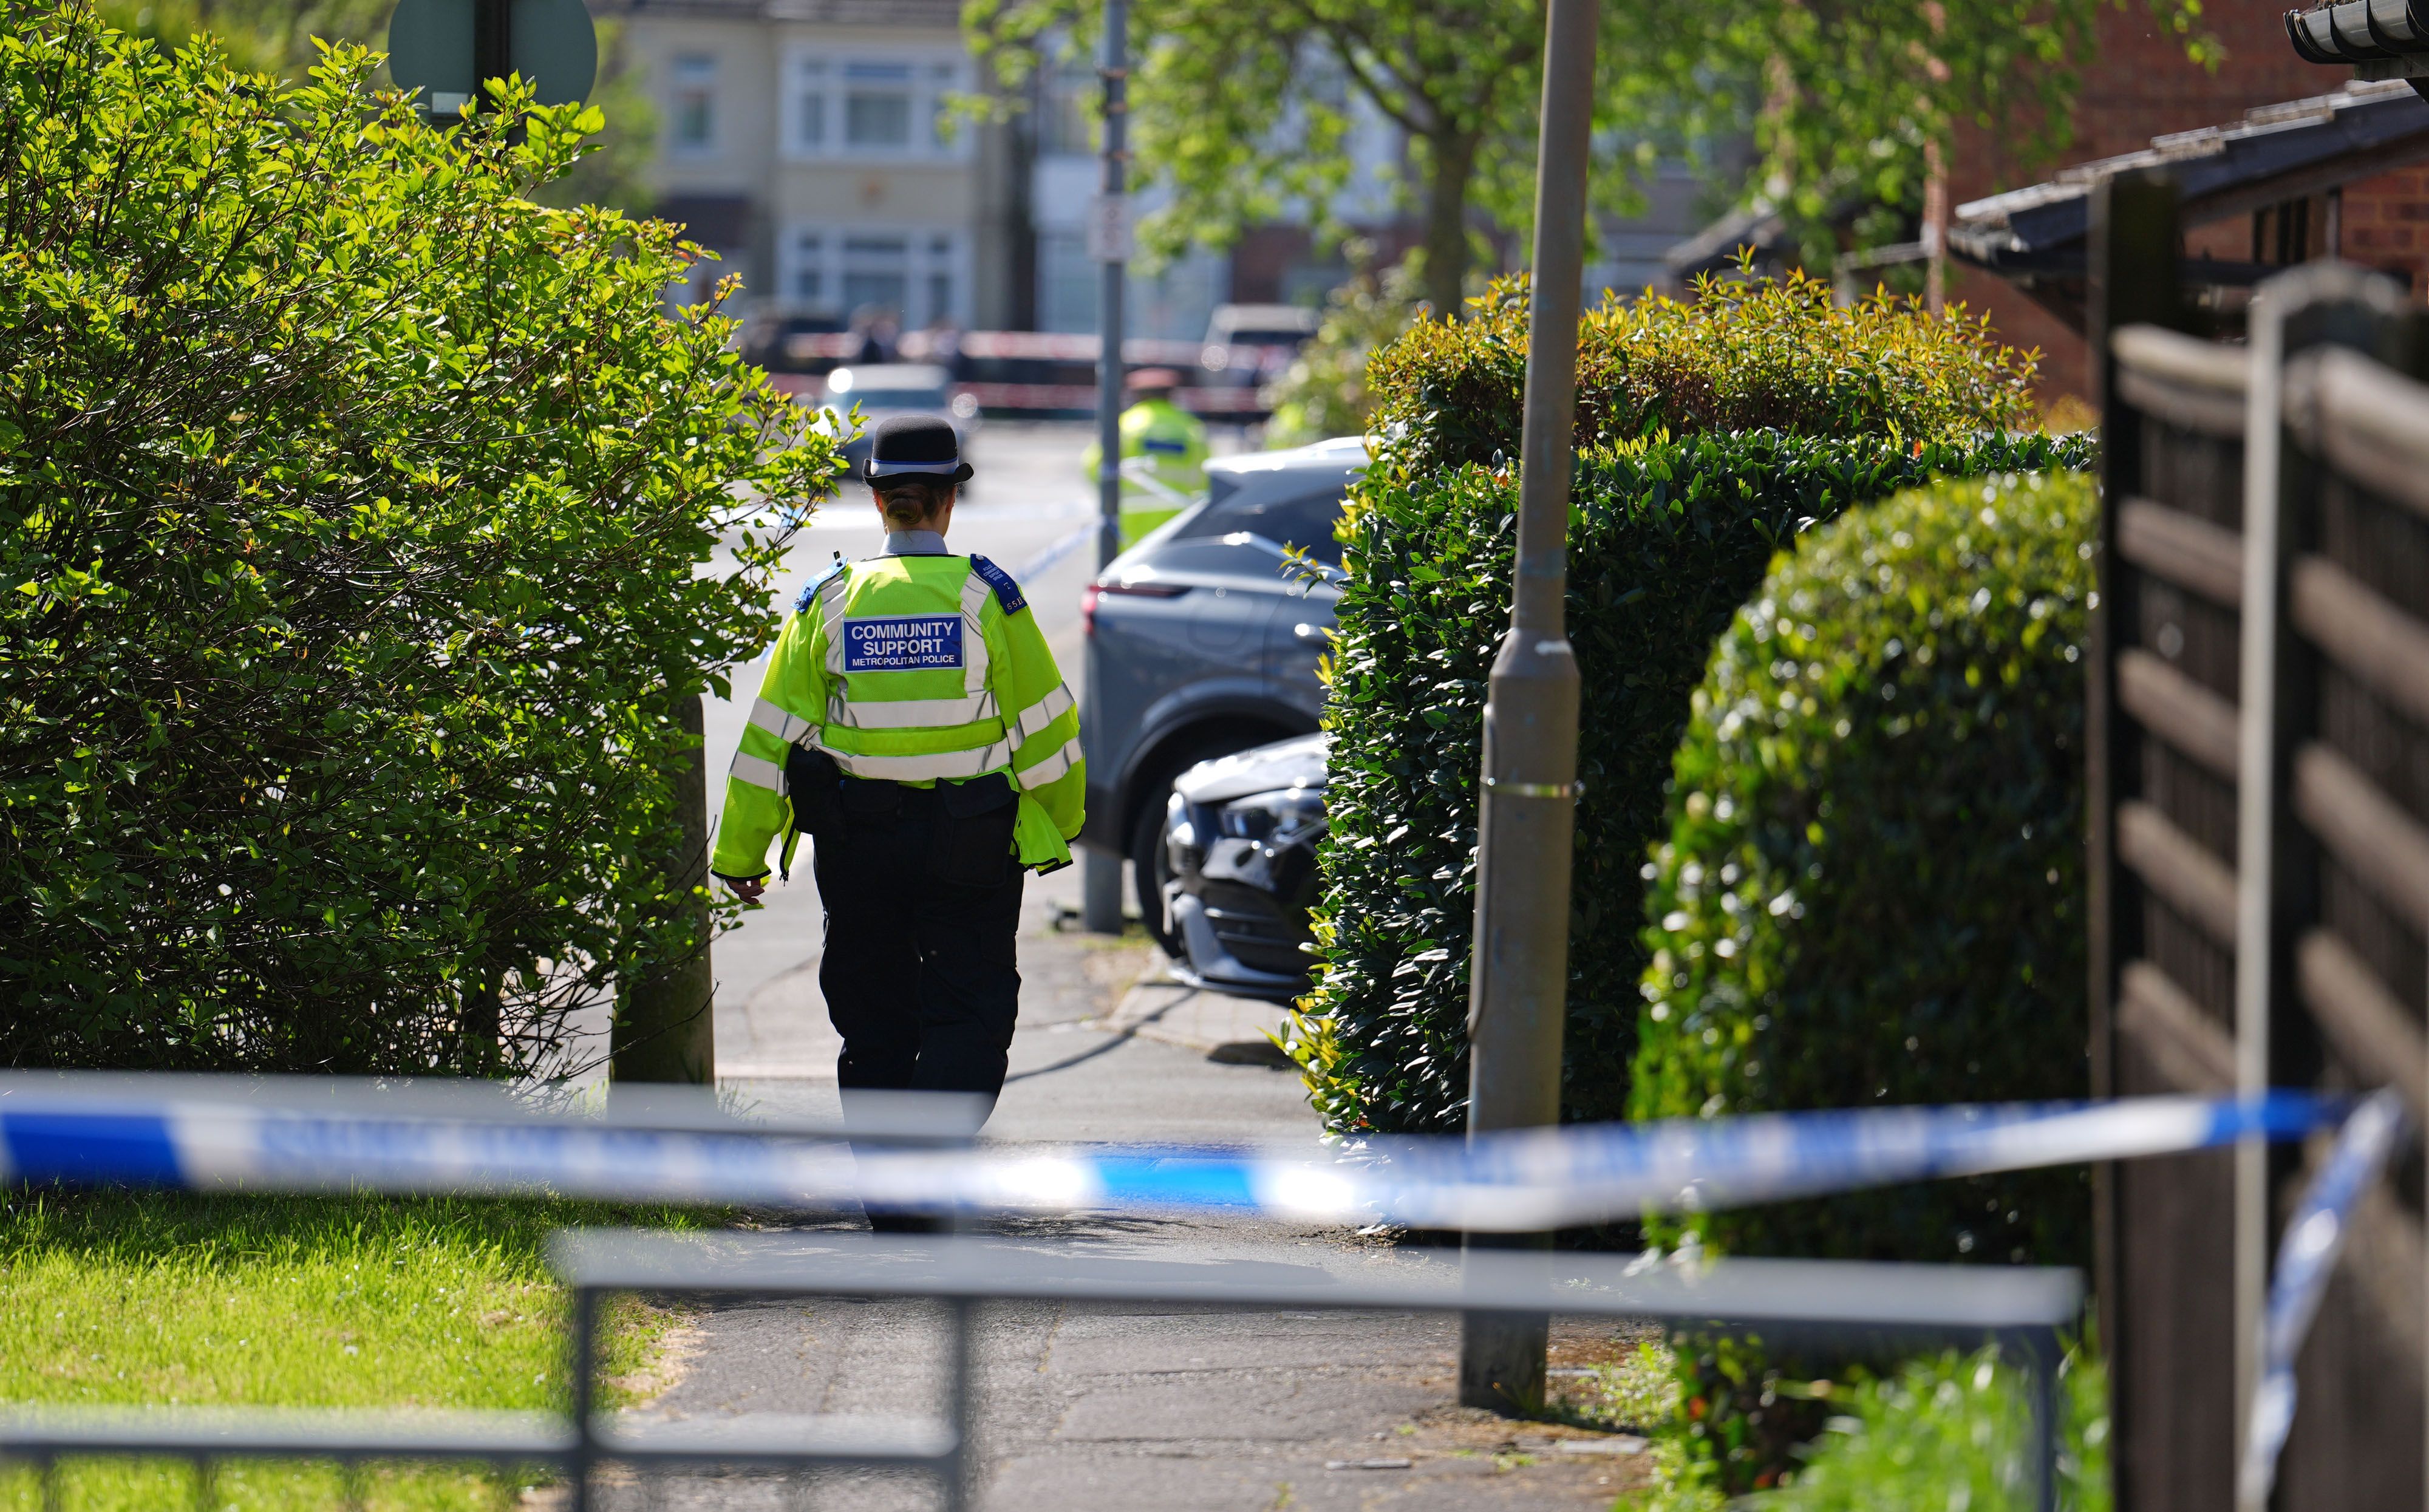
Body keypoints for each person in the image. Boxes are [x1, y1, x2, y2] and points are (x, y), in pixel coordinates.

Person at [710, 415, 1084, 1134]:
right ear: (949, 502)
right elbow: (1045, 728)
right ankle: (927, 1166)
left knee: (874, 1018)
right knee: (970, 1013)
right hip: (971, 847)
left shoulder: (829, 601)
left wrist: (741, 852)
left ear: (877, 502)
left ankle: (889, 1181)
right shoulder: (988, 598)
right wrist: (1060, 821)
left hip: (858, 846)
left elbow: (771, 737)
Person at [1080, 367, 1210, 544]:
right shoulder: (1191, 430)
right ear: (1171, 395)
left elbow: (1094, 468)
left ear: (1136, 395)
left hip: (1127, 532)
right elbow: (1208, 478)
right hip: (1177, 530)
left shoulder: (1125, 426)